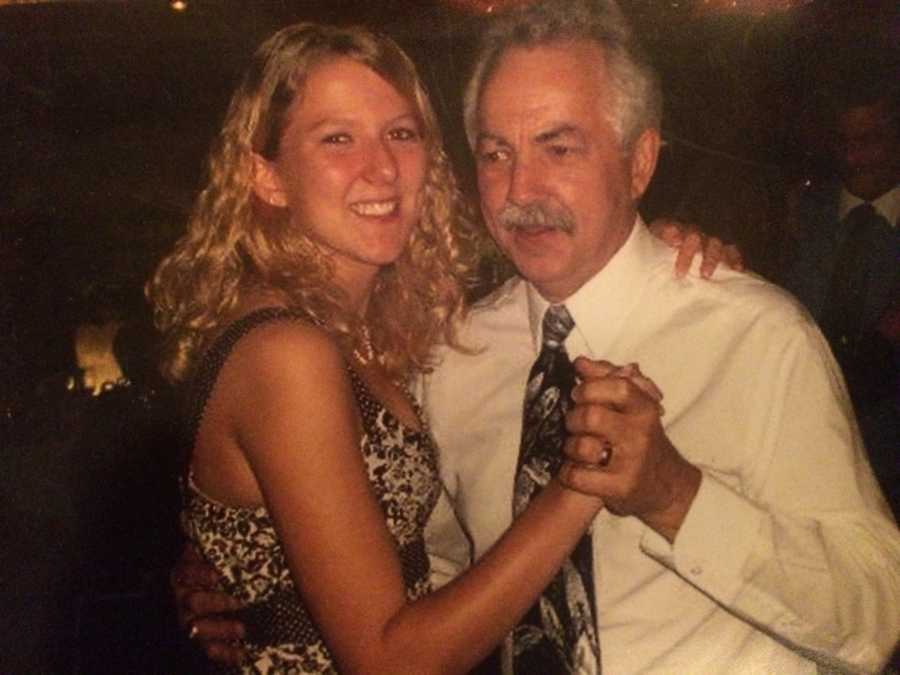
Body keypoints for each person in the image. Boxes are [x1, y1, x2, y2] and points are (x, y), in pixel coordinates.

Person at [149, 19, 708, 674]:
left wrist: (647, 245)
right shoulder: (286, 354)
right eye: (337, 139)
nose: (381, 166)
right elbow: (391, 661)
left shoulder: (378, 334)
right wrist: (585, 477)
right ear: (267, 176)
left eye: (401, 133)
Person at [421, 0, 900, 672]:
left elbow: (881, 610)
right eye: (496, 152)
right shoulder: (451, 358)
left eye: (559, 147)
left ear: (640, 162)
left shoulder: (756, 335)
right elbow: (442, 569)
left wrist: (677, 495)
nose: (518, 188)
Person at [781, 70, 900, 518]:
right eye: (844, 142)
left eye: (871, 140)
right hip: (798, 457)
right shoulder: (795, 212)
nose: (854, 158)